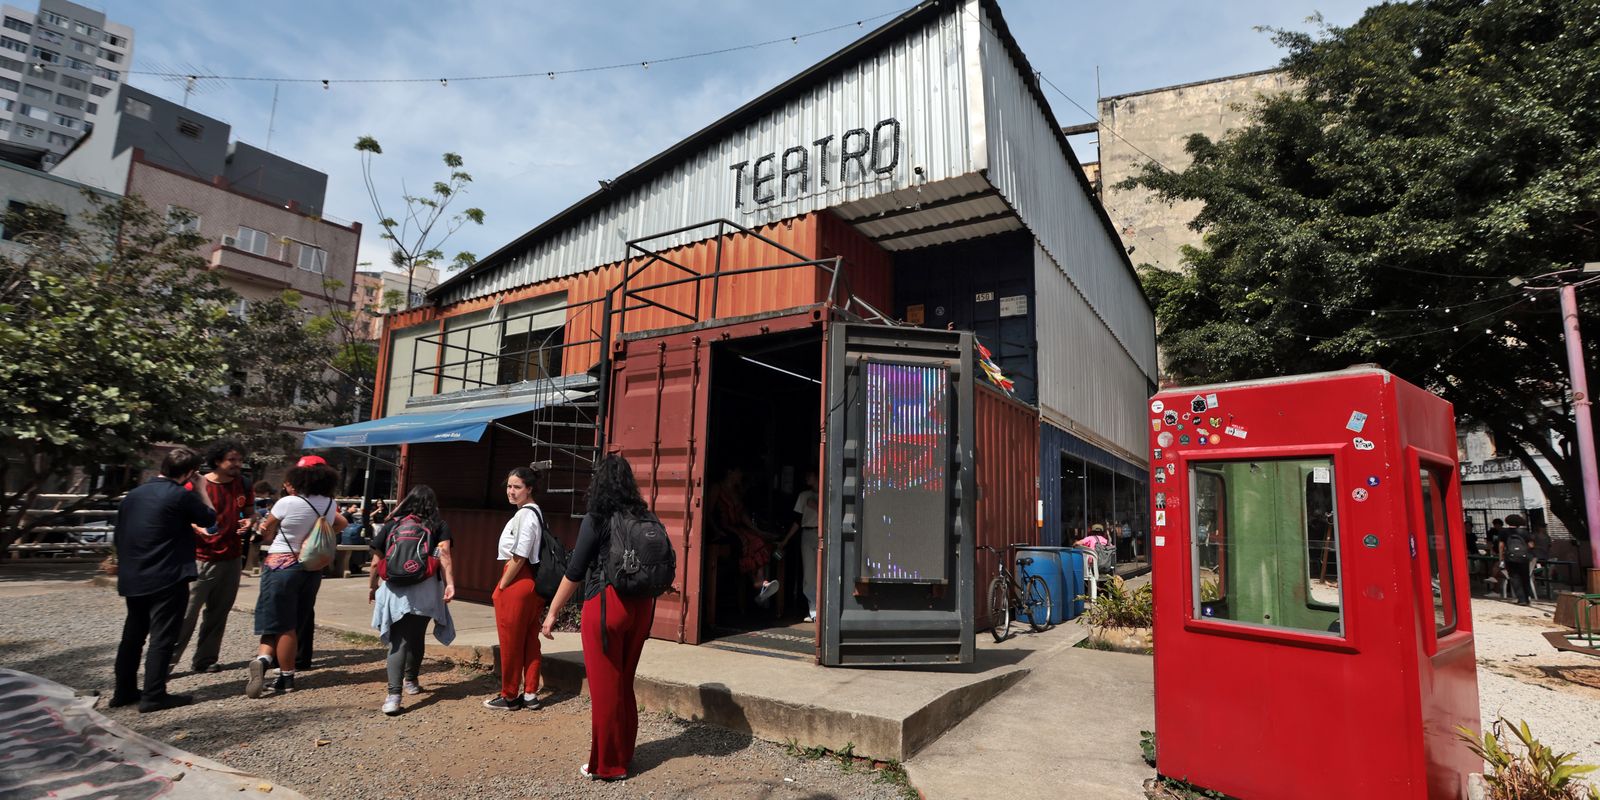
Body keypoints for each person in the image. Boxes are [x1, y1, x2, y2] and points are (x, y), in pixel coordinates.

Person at [541, 454, 656, 781]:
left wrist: (552, 612)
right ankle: (624, 755)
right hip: (642, 607)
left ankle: (608, 766)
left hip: (607, 604)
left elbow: (575, 571)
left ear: (598, 482)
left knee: (605, 688)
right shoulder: (644, 515)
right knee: (623, 683)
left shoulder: (597, 517)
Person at [111, 446, 216, 713]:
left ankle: (123, 691)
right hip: (167, 575)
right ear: (190, 473)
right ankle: (154, 695)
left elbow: (119, 533)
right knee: (162, 636)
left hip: (134, 574)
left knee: (133, 635)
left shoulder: (134, 495)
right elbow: (209, 519)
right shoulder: (180, 495)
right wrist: (202, 488)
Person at [246, 460, 346, 698]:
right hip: (311, 567)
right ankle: (265, 660)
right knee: (295, 620)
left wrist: (258, 533)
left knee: (280, 622)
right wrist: (316, 536)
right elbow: (340, 523)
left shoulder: (288, 502)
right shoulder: (329, 504)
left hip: (281, 564)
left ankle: (283, 675)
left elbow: (265, 531)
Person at [368, 485, 456, 716]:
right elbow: (444, 555)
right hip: (426, 590)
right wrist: (450, 584)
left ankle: (393, 696)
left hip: (394, 590)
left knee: (399, 641)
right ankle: (411, 681)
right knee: (416, 636)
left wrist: (372, 587)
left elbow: (376, 563)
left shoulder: (392, 525)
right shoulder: (438, 525)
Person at [171, 440, 254, 675]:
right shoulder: (196, 485)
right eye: (232, 460)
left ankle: (206, 659)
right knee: (186, 613)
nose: (237, 464)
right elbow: (177, 515)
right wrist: (196, 526)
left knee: (218, 613)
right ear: (217, 461)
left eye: (240, 460)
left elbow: (250, 512)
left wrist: (250, 521)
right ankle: (166, 663)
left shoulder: (244, 484)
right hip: (200, 557)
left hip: (232, 556)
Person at [486, 466, 547, 711]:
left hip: (517, 580)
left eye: (517, 487)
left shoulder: (525, 515)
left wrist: (501, 586)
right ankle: (530, 693)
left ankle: (510, 696)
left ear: (529, 489)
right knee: (530, 640)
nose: (511, 491)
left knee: (510, 641)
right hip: (532, 582)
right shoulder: (535, 513)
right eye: (509, 486)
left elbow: (519, 555)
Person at [706, 467, 779, 606]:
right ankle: (759, 583)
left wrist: (758, 531)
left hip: (737, 528)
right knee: (744, 543)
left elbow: (743, 515)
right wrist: (716, 531)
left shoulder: (736, 491)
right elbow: (708, 512)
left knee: (758, 541)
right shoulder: (717, 488)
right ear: (730, 472)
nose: (741, 475)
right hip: (723, 529)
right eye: (739, 472)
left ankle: (761, 582)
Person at [778, 469, 819, 622]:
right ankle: (813, 609)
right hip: (807, 533)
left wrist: (816, 507)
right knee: (809, 573)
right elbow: (797, 521)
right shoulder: (804, 495)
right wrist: (786, 540)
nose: (806, 477)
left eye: (810, 474)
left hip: (823, 534)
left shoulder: (826, 494)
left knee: (822, 571)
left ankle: (823, 608)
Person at [1499, 513, 1535, 606]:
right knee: (1525, 577)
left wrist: (1501, 558)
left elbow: (1501, 545)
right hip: (1523, 558)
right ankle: (1527, 598)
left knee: (1514, 577)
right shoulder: (1524, 532)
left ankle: (1521, 599)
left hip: (1510, 558)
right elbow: (1531, 545)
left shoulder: (1504, 532)